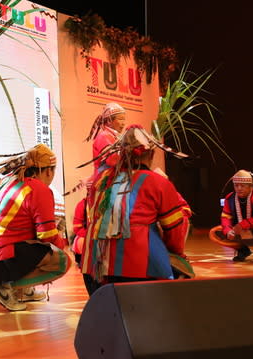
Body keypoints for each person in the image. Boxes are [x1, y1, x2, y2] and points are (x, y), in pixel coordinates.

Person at [80, 125, 193, 295]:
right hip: (138, 269)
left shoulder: (100, 180)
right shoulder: (158, 182)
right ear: (151, 154)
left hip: (92, 270)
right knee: (183, 270)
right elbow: (175, 229)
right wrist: (176, 255)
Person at [0, 144, 71, 311]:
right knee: (62, 261)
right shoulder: (39, 189)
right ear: (49, 171)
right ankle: (6, 287)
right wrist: (61, 240)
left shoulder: (11, 182)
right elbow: (47, 236)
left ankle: (23, 290)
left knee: (33, 246)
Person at [208, 170, 253, 263]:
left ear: (251, 186)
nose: (239, 188)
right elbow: (225, 218)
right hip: (238, 231)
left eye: (242, 186)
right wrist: (228, 231)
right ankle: (243, 250)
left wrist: (244, 224)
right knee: (214, 232)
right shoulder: (230, 198)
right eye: (236, 185)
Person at [86, 102, 126, 173]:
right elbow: (112, 160)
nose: (123, 123)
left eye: (124, 119)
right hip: (103, 178)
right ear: (109, 121)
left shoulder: (117, 136)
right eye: (120, 119)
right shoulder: (103, 136)